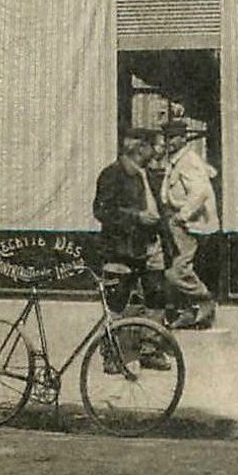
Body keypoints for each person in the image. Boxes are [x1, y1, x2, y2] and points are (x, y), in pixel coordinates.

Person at [92, 127, 171, 370]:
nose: (159, 151)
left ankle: (150, 349)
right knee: (116, 303)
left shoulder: (149, 174)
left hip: (151, 247)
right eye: (155, 146)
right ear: (141, 148)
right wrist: (137, 217)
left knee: (156, 297)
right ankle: (111, 356)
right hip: (122, 250)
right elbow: (102, 211)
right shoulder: (113, 174)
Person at [160, 120, 220, 330]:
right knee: (177, 269)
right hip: (178, 222)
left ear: (183, 138)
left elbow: (200, 192)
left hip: (189, 225)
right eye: (166, 138)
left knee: (177, 271)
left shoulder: (188, 161)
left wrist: (183, 215)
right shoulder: (177, 160)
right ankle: (189, 311)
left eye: (173, 138)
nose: (168, 142)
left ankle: (205, 302)